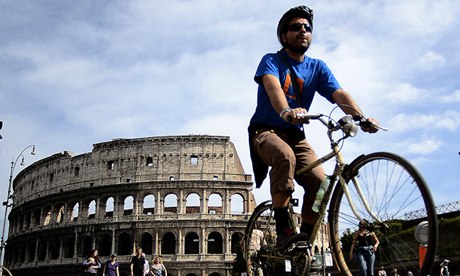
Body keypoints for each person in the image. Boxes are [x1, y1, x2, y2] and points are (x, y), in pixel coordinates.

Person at [248, 5, 379, 248]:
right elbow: (273, 88)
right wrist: (286, 111)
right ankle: (284, 229)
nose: (303, 31)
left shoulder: (318, 67)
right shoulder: (271, 60)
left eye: (307, 28)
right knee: (284, 156)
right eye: (295, 27)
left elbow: (338, 93)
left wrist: (361, 117)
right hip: (266, 131)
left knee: (321, 182)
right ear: (283, 35)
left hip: (295, 135)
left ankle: (305, 239)